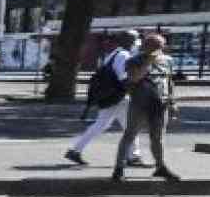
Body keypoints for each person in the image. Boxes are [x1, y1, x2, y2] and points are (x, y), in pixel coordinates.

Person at [65, 31, 143, 167]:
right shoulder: (124, 55)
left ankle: (75, 150)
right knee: (131, 126)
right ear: (129, 42)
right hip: (120, 97)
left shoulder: (114, 54)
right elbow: (124, 78)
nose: (136, 45)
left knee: (102, 125)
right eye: (135, 41)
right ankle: (133, 157)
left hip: (111, 97)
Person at [114, 33, 181, 182]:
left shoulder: (168, 60)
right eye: (153, 46)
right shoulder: (134, 60)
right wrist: (148, 62)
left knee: (158, 138)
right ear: (145, 46)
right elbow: (134, 78)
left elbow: (169, 82)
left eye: (160, 46)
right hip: (140, 103)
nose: (157, 49)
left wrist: (172, 102)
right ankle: (118, 169)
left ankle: (160, 167)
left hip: (160, 104)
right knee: (130, 135)